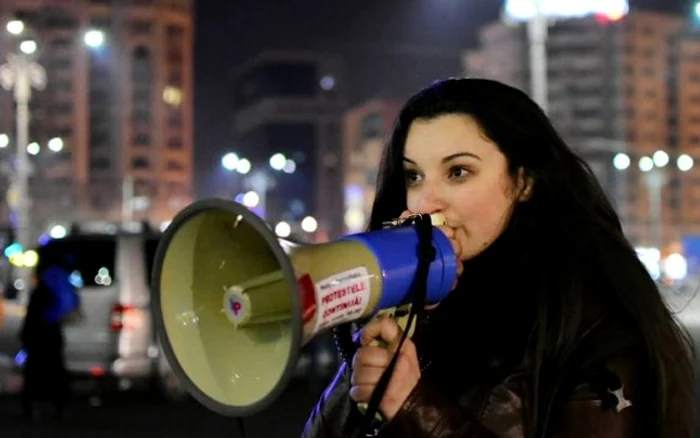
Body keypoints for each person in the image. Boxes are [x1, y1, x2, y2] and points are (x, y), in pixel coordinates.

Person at [302, 78, 694, 437]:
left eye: (458, 172)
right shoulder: (425, 310)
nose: (425, 203)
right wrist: (391, 325)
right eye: (413, 176)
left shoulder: (592, 329)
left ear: (522, 181)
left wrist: (415, 407)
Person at [19, 252, 80, 420]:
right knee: (53, 371)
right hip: (48, 334)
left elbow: (37, 315)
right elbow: (68, 304)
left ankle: (35, 406)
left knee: (37, 372)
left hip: (40, 334)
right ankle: (56, 406)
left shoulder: (47, 282)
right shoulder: (59, 279)